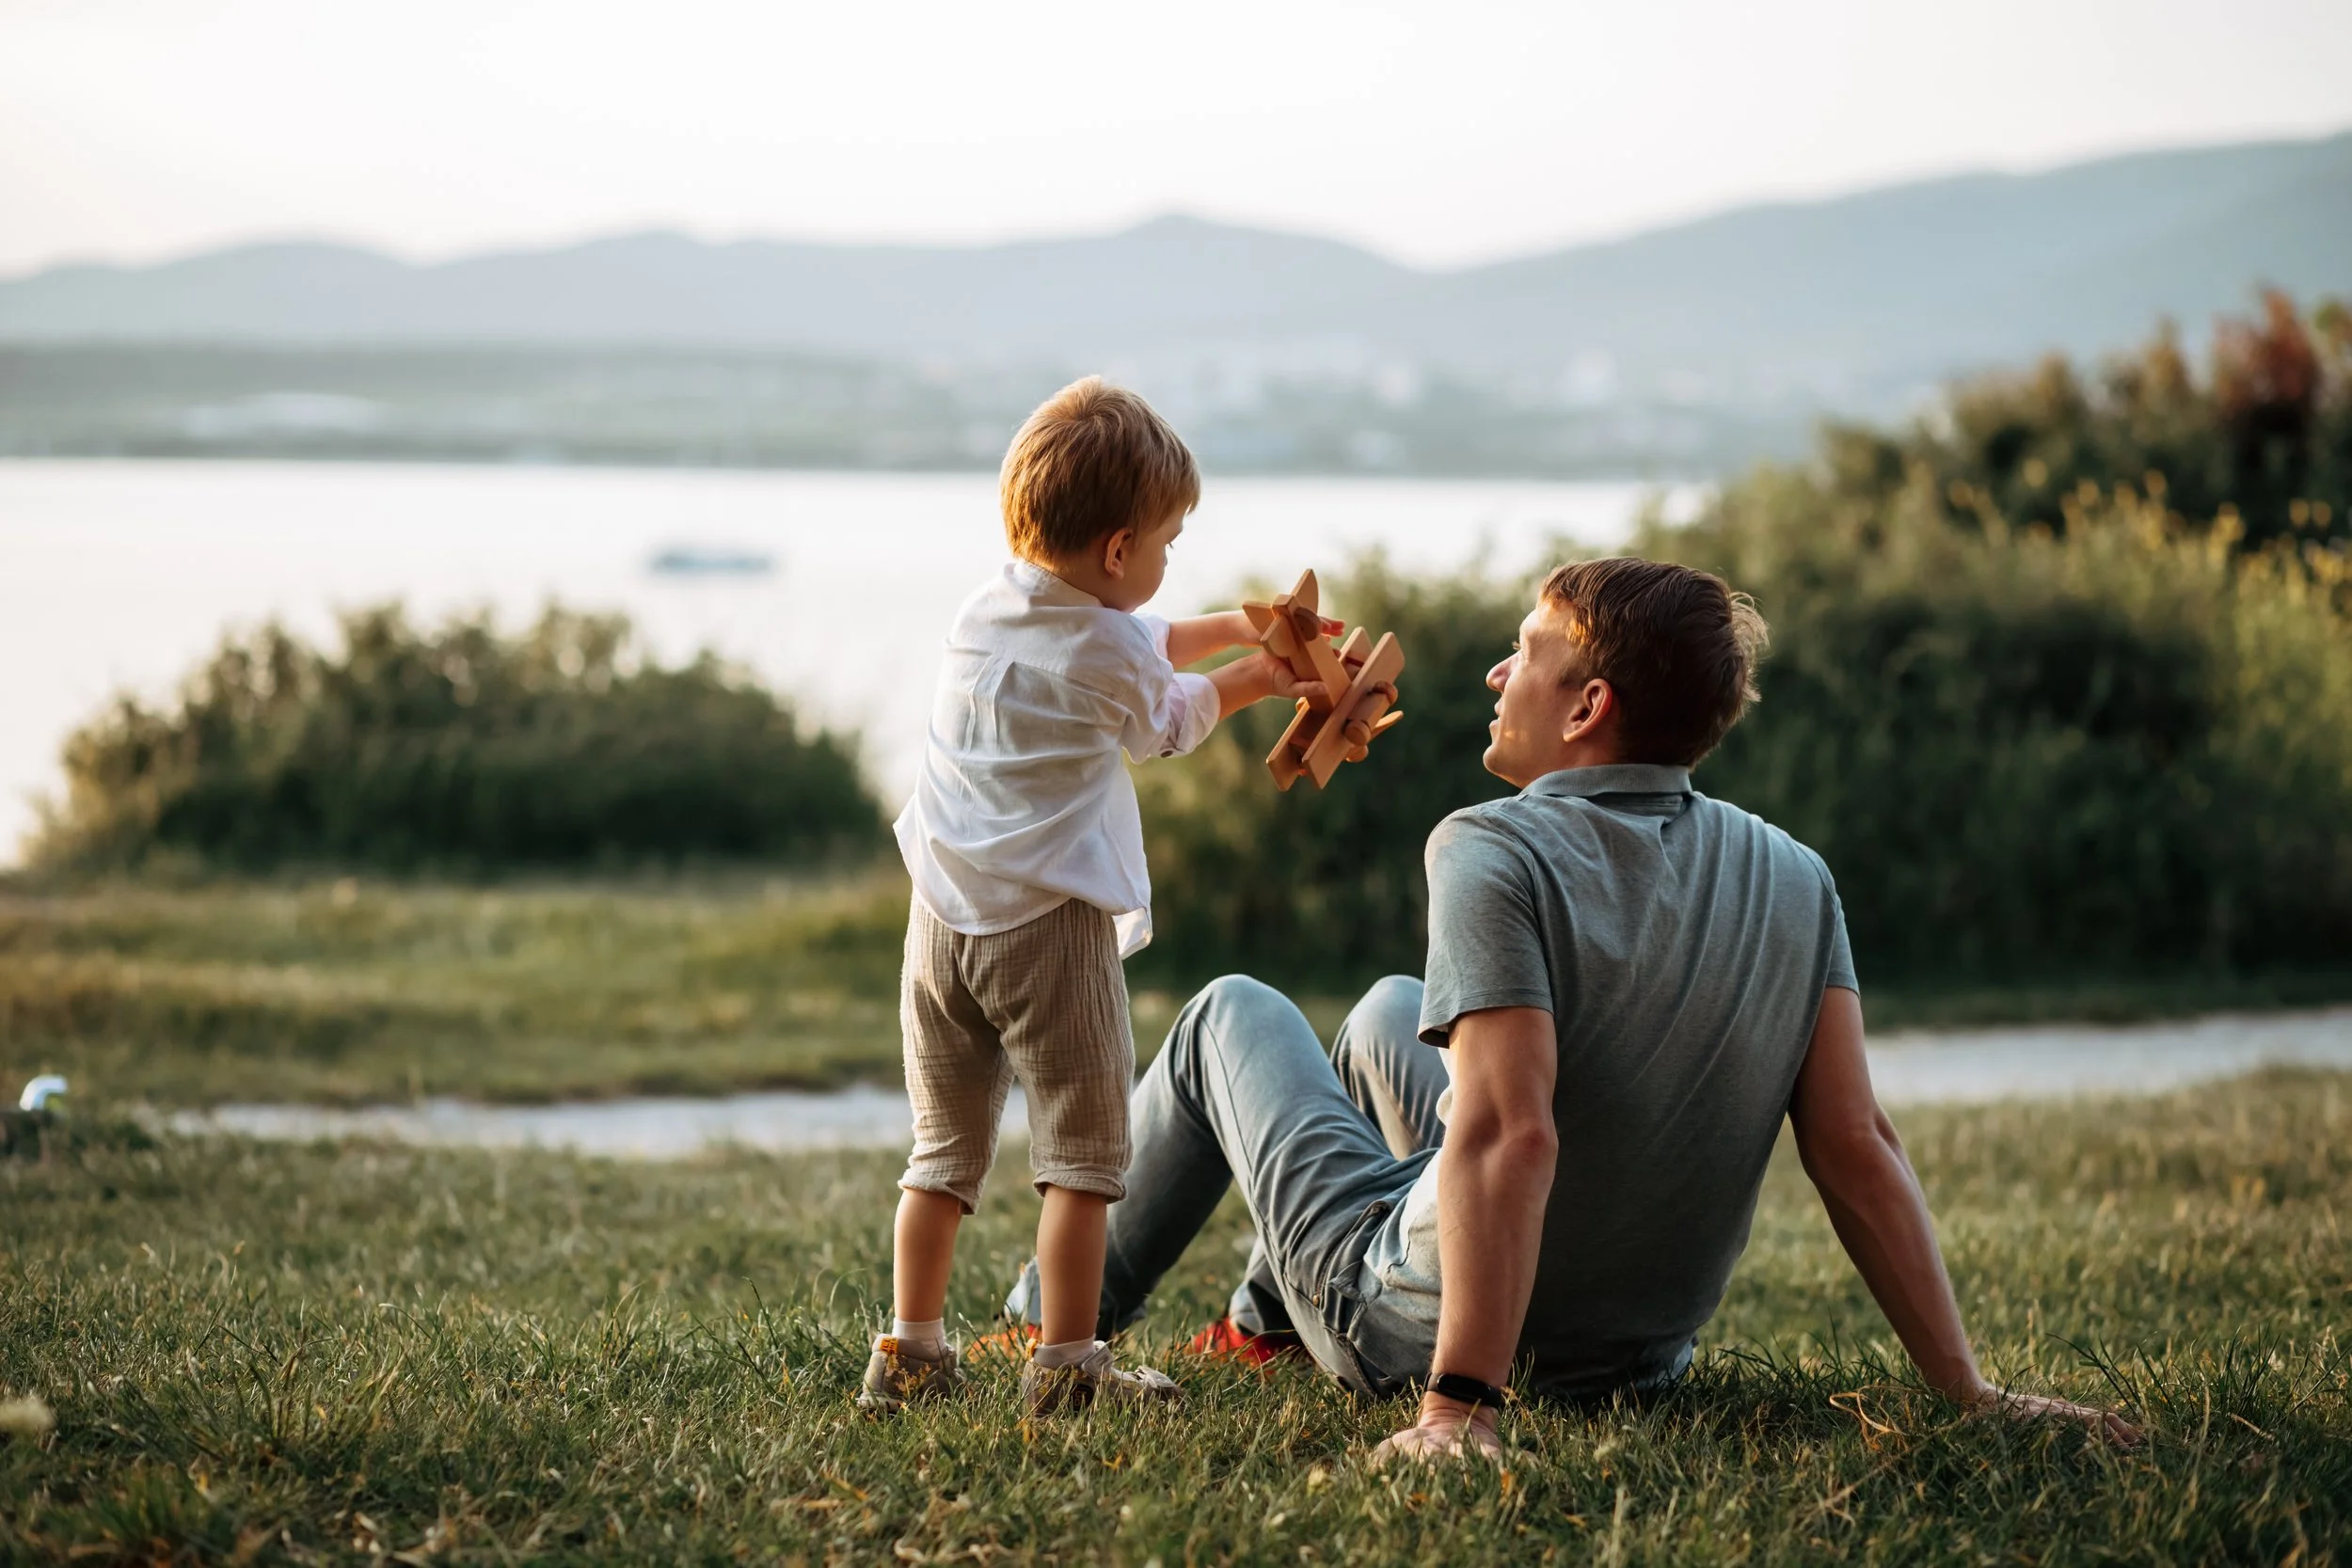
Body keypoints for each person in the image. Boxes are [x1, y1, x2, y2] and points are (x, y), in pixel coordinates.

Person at [1001, 556, 2138, 1456]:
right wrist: (1970, 1393)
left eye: (1523, 653)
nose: (1497, 675)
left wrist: (1458, 1406)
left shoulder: (1489, 844)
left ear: (1588, 703)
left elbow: (1510, 1130)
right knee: (1391, 1011)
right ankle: (1261, 1327)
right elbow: (1853, 1141)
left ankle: (1039, 1324)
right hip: (1633, 1359)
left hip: (1418, 1328)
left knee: (1226, 1014)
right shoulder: (1795, 870)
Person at [864, 377, 1334, 1418]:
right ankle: (1069, 1362)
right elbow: (1164, 718)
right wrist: (1262, 673)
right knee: (1081, 1157)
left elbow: (1137, 640)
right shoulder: (1109, 643)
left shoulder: (989, 606)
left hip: (939, 919)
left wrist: (1232, 626)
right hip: (1045, 928)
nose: (1170, 560)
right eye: (1167, 540)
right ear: (1119, 550)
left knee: (940, 1153)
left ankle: (911, 1349)